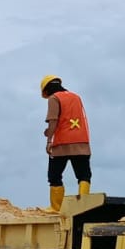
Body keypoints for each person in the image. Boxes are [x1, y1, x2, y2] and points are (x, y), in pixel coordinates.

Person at [41, 74, 91, 212]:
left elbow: (53, 120)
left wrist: (49, 139)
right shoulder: (76, 97)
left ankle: (56, 207)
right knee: (84, 175)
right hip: (82, 141)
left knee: (54, 175)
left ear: (47, 90)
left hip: (62, 143)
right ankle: (83, 206)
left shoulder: (54, 98)